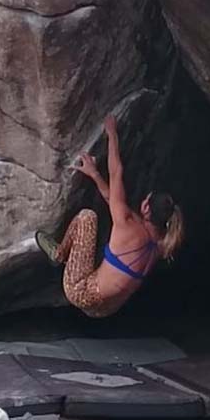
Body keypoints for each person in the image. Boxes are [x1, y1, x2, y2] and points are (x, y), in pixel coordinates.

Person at [35, 115, 185, 318]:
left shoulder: (129, 225)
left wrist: (112, 134)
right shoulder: (160, 245)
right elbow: (111, 199)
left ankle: (59, 253)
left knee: (87, 218)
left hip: (80, 292)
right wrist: (94, 174)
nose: (142, 201)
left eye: (145, 200)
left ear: (146, 209)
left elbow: (117, 174)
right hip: (105, 310)